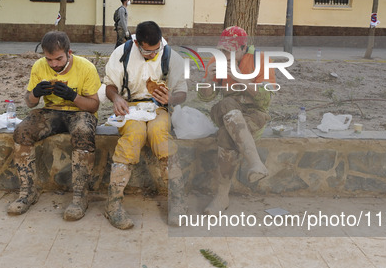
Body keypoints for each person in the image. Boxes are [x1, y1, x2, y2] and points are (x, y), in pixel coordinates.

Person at [7, 31, 101, 220]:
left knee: (83, 131)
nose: (54, 64)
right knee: (22, 131)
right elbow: (30, 103)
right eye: (49, 60)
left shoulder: (86, 67)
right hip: (52, 111)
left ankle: (80, 196)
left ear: (69, 52)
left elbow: (94, 106)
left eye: (58, 59)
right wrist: (35, 93)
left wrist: (72, 96)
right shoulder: (39, 67)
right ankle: (27, 192)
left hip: (80, 112)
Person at [104, 21, 188, 229]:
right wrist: (116, 99)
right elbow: (110, 86)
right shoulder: (121, 53)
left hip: (159, 108)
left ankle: (177, 201)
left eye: (156, 50)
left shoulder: (171, 57)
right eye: (147, 51)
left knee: (159, 133)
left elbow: (182, 93)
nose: (152, 54)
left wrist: (170, 99)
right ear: (136, 42)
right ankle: (113, 204)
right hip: (129, 108)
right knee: (134, 135)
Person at [198, 26, 276, 214]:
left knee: (226, 134)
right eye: (223, 50)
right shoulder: (216, 61)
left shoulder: (260, 59)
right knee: (226, 104)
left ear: (243, 48)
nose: (225, 54)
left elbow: (265, 98)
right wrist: (208, 79)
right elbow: (205, 97)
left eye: (230, 50)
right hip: (226, 109)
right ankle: (255, 163)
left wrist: (237, 77)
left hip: (253, 113)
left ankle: (221, 197)